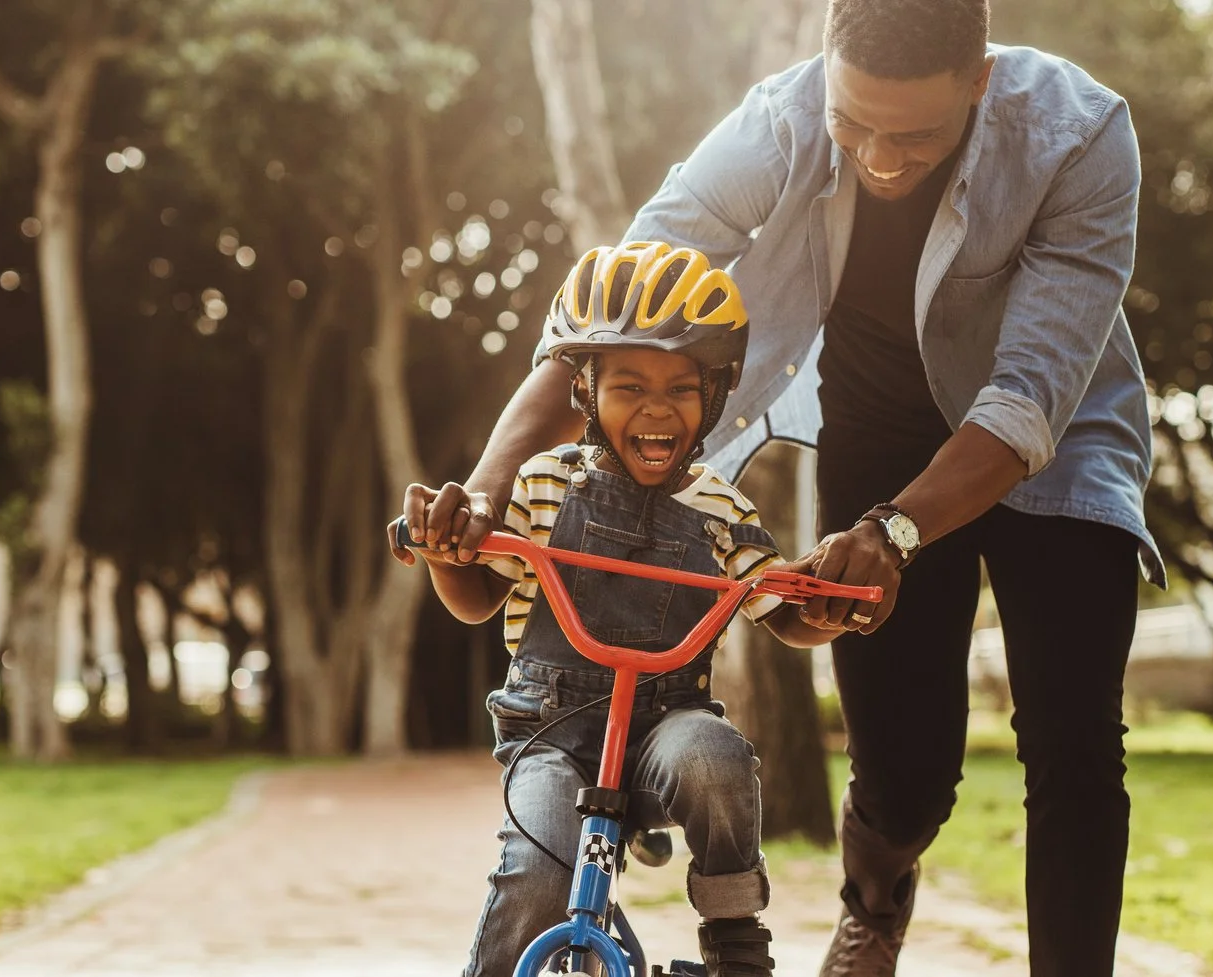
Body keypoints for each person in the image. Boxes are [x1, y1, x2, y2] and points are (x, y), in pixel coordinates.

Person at [441, 2, 1165, 974]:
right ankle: (877, 897)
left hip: (1059, 435)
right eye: (853, 122)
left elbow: (1028, 397)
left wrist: (898, 531)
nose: (878, 157)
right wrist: (487, 487)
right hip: (877, 430)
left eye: (913, 134)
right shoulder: (777, 123)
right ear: (826, 70)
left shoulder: (1078, 133)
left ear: (980, 81)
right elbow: (613, 310)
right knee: (905, 777)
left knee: (1075, 739)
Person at [398, 241, 840, 977]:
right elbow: (477, 598)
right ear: (584, 390)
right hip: (554, 732)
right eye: (629, 385)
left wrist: (819, 606)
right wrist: (448, 553)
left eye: (682, 388)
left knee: (717, 756)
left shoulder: (720, 509)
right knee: (537, 874)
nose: (657, 409)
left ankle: (736, 940)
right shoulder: (544, 484)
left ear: (718, 392)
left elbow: (777, 604)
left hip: (664, 729)